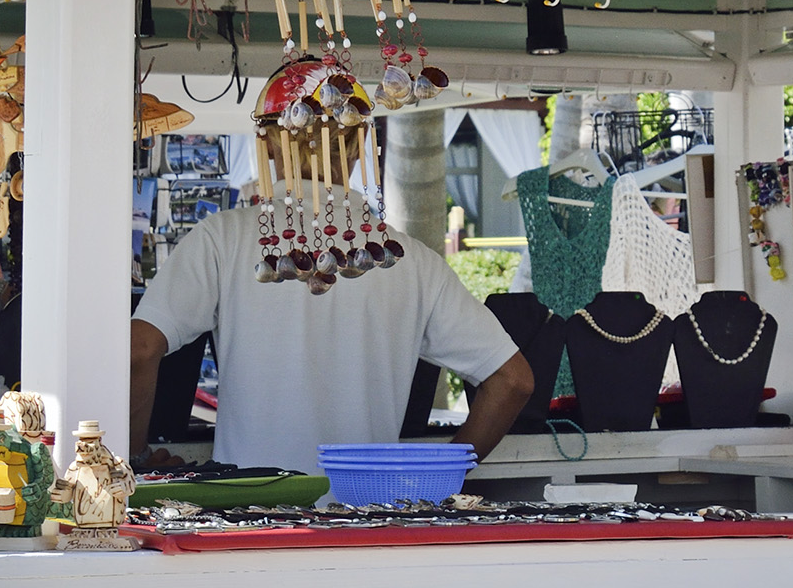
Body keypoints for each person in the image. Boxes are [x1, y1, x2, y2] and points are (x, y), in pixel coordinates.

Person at [128, 197, 533, 472]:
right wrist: (440, 476)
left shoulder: (224, 237)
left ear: (267, 142)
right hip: (367, 521)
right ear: (358, 145)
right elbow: (511, 380)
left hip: (249, 520)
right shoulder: (409, 257)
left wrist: (135, 456)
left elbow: (139, 351)